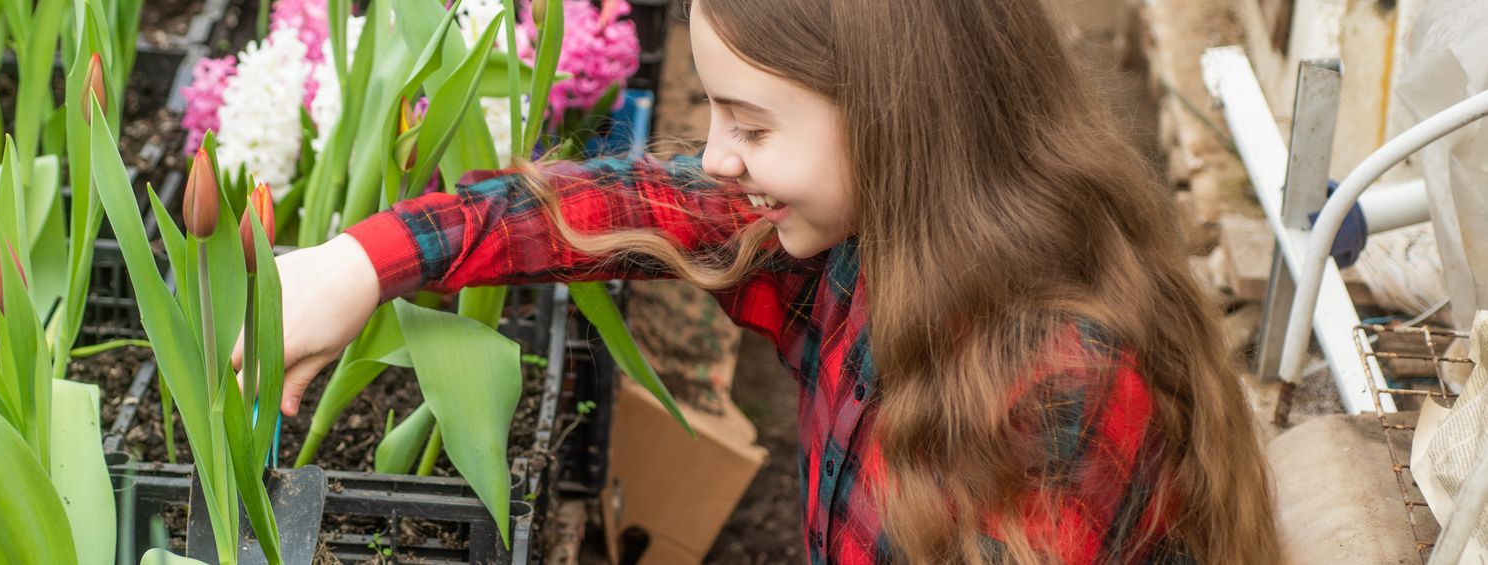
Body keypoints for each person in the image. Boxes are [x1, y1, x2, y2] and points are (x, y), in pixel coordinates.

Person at [261, 0, 1281, 562]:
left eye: (749, 124)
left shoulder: (1061, 379)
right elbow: (627, 206)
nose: (715, 157)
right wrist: (364, 261)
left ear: (897, 116)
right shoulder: (869, 237)